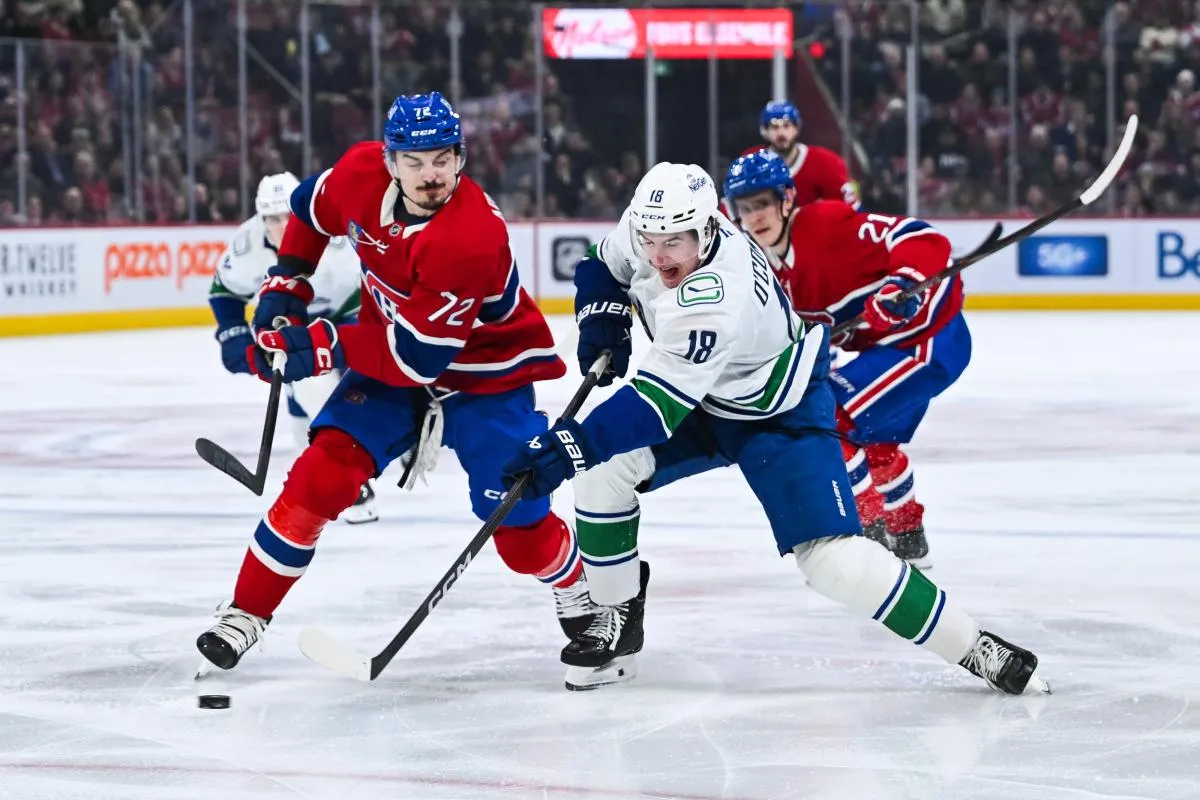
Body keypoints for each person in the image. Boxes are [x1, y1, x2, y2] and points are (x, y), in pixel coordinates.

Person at [498, 161, 1046, 697]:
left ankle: (975, 646)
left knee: (832, 562)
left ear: (709, 227)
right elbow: (602, 264)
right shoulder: (652, 227)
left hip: (779, 413)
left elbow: (653, 407)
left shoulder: (715, 295)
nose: (662, 257)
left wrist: (567, 449)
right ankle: (617, 619)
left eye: (677, 243)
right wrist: (602, 318)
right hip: (709, 396)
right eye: (652, 239)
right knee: (605, 473)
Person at [196, 92, 594, 673]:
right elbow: (309, 212)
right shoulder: (358, 173)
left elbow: (418, 360)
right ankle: (246, 613)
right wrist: (289, 279)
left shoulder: (469, 237)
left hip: (485, 373)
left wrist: (323, 344)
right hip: (393, 356)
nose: (431, 174)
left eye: (442, 158)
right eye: (415, 160)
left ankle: (579, 590)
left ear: (460, 157)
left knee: (515, 522)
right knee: (321, 476)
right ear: (390, 160)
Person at [723, 149, 971, 567]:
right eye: (745, 208)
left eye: (762, 202)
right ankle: (909, 538)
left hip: (928, 339)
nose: (755, 216)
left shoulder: (827, 225)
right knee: (874, 443)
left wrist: (903, 284)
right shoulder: (763, 269)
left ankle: (867, 533)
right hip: (885, 349)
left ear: (786, 199)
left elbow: (919, 238)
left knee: (829, 414)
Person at [207, 172, 378, 524]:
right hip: (289, 321)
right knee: (302, 398)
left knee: (317, 383)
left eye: (287, 216)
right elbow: (225, 291)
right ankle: (332, 481)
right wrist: (234, 334)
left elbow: (368, 297)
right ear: (259, 217)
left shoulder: (336, 246)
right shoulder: (247, 243)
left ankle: (353, 462)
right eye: (271, 218)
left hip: (346, 316)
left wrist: (332, 343)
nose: (281, 226)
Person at [740, 99, 860, 209]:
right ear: (764, 131)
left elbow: (852, 210)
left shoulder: (825, 162)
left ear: (796, 128)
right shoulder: (751, 163)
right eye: (775, 127)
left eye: (786, 126)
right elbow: (732, 207)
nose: (781, 133)